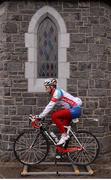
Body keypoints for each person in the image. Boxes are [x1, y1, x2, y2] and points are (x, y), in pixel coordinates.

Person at [33, 79, 82, 145]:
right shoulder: (56, 93)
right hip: (73, 111)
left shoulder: (57, 93)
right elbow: (66, 105)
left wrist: (40, 116)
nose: (45, 89)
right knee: (63, 127)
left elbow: (50, 106)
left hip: (75, 110)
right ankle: (61, 150)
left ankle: (64, 135)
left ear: (52, 87)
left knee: (54, 116)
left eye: (46, 87)